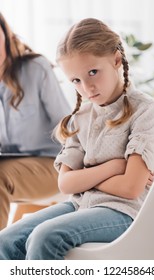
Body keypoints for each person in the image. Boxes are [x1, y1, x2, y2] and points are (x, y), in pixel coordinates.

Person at [0, 17, 154, 260]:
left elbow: (130, 188)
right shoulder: (81, 117)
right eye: (76, 81)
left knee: (45, 237)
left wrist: (86, 176)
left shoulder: (145, 110)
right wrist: (114, 167)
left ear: (115, 60)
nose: (87, 88)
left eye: (93, 72)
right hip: (82, 204)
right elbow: (66, 184)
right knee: (5, 241)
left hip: (125, 211)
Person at [0, 12, 71, 230]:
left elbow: (67, 127)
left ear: (5, 34)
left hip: (54, 164)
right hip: (10, 162)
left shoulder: (35, 68)